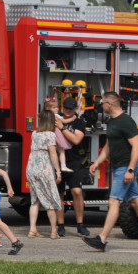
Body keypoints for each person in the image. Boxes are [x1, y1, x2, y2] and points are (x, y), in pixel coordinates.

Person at [83, 92, 138, 252]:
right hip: (119, 166)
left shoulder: (126, 121)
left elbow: (137, 147)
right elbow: (108, 146)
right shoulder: (112, 121)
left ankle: (102, 239)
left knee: (113, 201)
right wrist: (97, 163)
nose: (101, 106)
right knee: (136, 202)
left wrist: (131, 169)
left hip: (125, 167)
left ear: (110, 104)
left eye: (103, 103)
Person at [53, 97, 90, 237]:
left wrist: (62, 128)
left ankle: (80, 225)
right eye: (66, 108)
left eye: (71, 108)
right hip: (58, 161)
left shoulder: (79, 122)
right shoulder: (56, 119)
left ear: (75, 109)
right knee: (60, 194)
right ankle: (60, 225)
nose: (68, 111)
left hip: (75, 161)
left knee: (77, 192)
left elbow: (76, 139)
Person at [25, 110, 63, 239]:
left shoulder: (35, 133)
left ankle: (32, 230)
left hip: (31, 168)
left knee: (34, 201)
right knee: (50, 201)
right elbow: (53, 153)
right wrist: (58, 171)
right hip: (44, 169)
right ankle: (53, 231)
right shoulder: (50, 135)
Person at [43, 98, 71, 172]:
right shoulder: (55, 116)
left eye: (57, 107)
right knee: (61, 151)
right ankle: (63, 165)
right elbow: (64, 121)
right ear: (48, 108)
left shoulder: (45, 116)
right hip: (57, 135)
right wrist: (73, 118)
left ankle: (52, 166)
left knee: (52, 151)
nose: (57, 109)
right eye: (54, 107)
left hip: (50, 134)